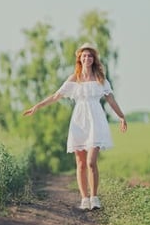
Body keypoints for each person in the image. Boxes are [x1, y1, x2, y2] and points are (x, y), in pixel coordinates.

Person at [23, 42, 127, 210]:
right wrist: (37, 106)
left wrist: (121, 116)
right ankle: (84, 198)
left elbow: (110, 99)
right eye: (84, 56)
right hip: (79, 121)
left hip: (96, 120)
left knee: (91, 162)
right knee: (80, 163)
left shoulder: (100, 78)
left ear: (94, 59)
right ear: (80, 59)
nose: (87, 58)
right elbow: (56, 96)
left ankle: (94, 197)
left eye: (90, 55)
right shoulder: (74, 78)